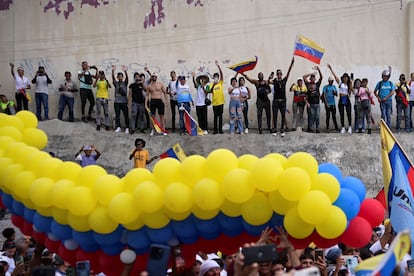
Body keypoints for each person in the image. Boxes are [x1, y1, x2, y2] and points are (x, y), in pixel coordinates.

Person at [269, 57, 294, 137]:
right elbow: (268, 82)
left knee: (283, 115)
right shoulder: (275, 81)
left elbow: (288, 73)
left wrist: (291, 64)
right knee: (275, 115)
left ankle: (282, 130)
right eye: (278, 73)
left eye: (280, 73)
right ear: (277, 74)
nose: (279, 75)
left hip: (283, 100)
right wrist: (270, 77)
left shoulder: (284, 81)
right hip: (275, 101)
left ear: (281, 74)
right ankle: (275, 129)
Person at [328, 64, 353, 134]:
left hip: (346, 98)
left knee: (348, 113)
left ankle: (350, 127)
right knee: (341, 113)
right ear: (343, 78)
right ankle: (343, 127)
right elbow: (335, 76)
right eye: (344, 77)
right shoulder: (340, 83)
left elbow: (351, 91)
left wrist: (351, 83)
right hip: (341, 98)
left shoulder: (348, 84)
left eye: (346, 78)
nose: (345, 79)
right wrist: (330, 69)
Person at [303, 66, 323, 133]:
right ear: (310, 79)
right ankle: (311, 128)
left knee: (317, 116)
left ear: (315, 79)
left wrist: (319, 69)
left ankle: (317, 128)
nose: (312, 79)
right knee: (311, 116)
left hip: (317, 103)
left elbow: (321, 77)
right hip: (310, 104)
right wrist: (311, 73)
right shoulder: (308, 85)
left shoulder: (317, 84)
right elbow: (304, 77)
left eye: (313, 78)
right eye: (311, 78)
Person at [112, 65, 130, 134]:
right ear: (117, 77)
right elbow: (113, 78)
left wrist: (125, 71)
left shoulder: (125, 83)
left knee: (126, 115)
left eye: (121, 76)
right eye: (119, 76)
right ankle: (118, 127)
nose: (120, 77)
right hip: (117, 102)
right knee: (117, 115)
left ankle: (127, 127)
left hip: (124, 102)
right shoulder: (116, 83)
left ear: (122, 77)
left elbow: (127, 79)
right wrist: (113, 71)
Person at [210, 61, 225, 134]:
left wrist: (218, 66)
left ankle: (220, 129)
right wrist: (213, 84)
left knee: (220, 117)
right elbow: (210, 91)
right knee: (215, 117)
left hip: (221, 102)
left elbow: (222, 74)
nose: (216, 78)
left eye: (217, 77)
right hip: (214, 103)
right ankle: (215, 130)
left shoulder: (220, 83)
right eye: (215, 77)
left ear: (218, 78)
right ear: (213, 78)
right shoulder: (212, 84)